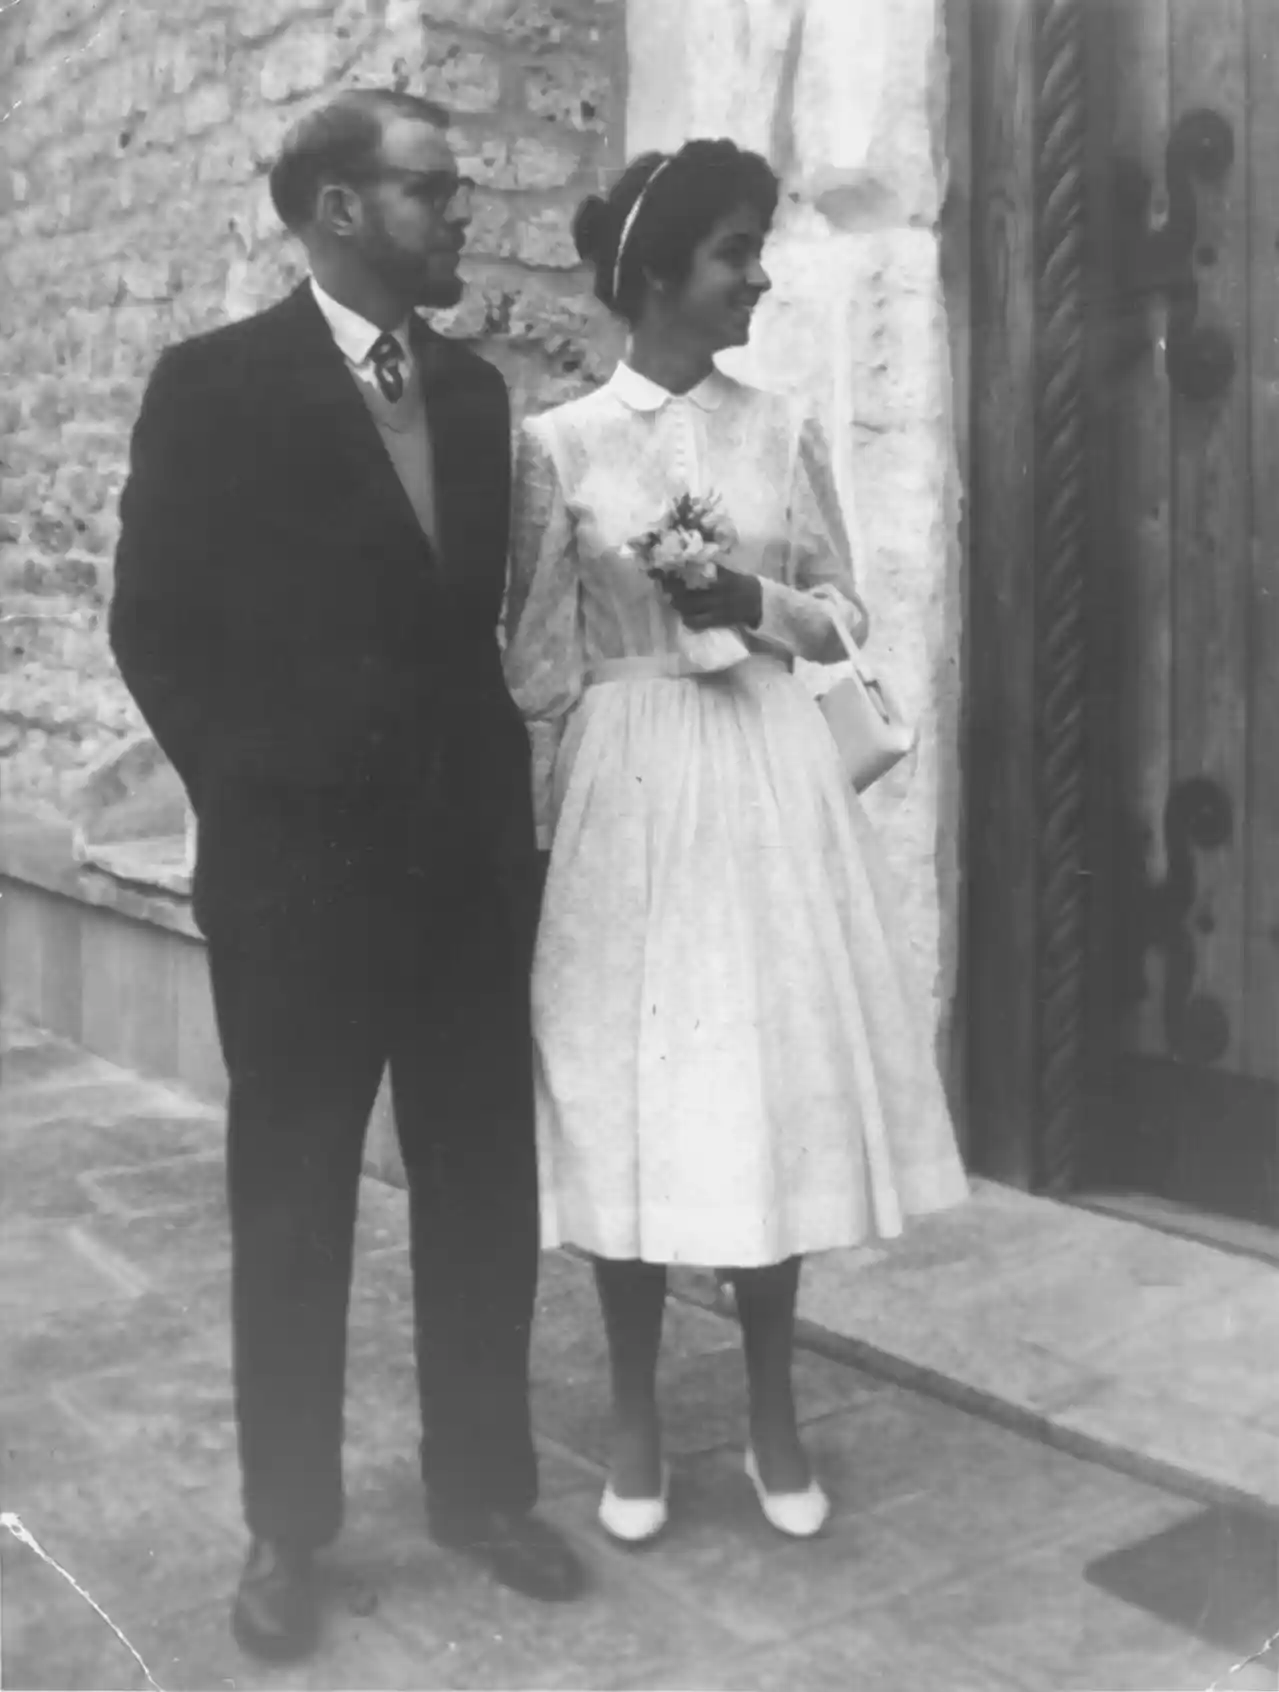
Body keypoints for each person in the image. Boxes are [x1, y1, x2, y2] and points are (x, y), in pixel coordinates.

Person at [109, 88, 583, 1662]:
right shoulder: (214, 387)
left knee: (483, 1189)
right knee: (294, 1201)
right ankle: (286, 1528)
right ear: (336, 207)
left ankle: (483, 1492)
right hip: (297, 887)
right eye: (433, 190)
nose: (463, 216)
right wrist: (259, 798)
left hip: (462, 877)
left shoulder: (472, 394)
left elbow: (472, 635)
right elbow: (154, 626)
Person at [503, 140, 969, 1546]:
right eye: (734, 255)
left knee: (767, 1088)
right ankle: (634, 1417)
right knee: (627, 1095)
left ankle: (772, 1410)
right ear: (658, 275)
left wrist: (748, 600)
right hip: (628, 794)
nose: (758, 278)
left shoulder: (780, 430)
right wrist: (539, 842)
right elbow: (539, 667)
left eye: (759, 250)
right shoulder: (561, 446)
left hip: (764, 784)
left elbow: (843, 616)